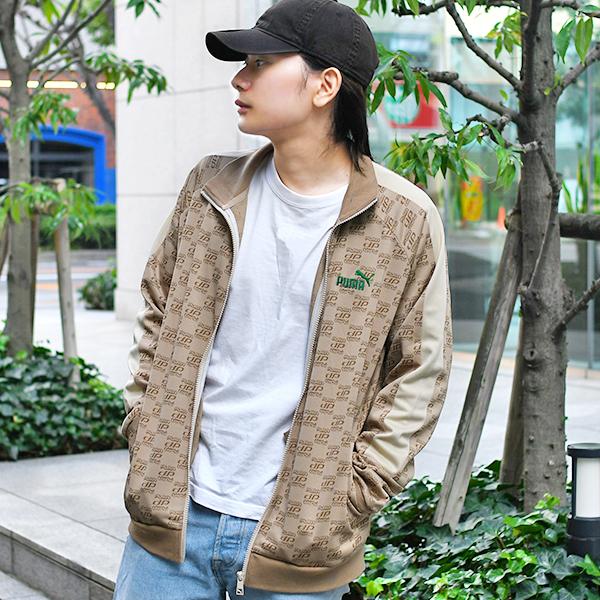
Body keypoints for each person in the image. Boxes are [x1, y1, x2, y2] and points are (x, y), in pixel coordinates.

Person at [113, 0, 453, 598]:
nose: (239, 79)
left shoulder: (403, 220)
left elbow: (420, 369)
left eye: (261, 63)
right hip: (172, 527)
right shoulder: (210, 188)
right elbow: (156, 310)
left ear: (325, 85)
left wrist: (357, 490)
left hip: (301, 540)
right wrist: (147, 426)